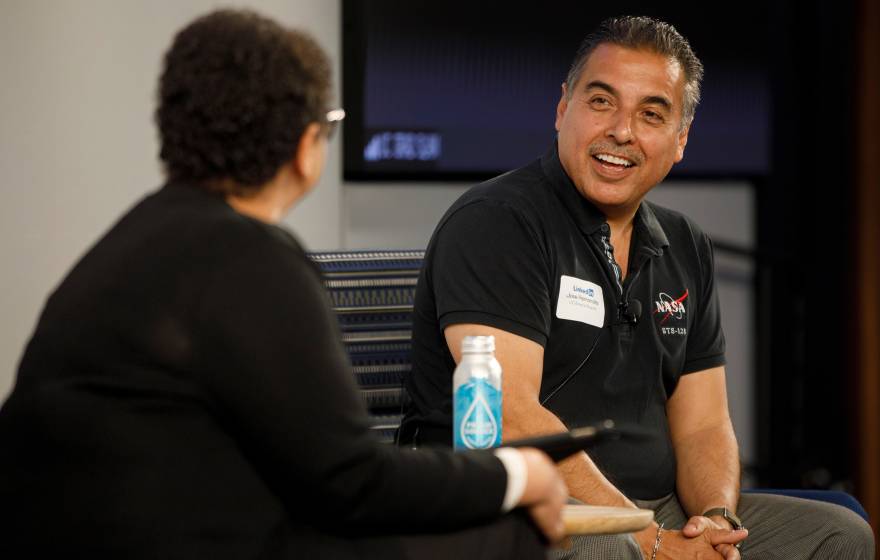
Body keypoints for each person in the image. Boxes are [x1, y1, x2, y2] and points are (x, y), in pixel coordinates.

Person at [0, 9, 569, 559]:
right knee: (505, 534)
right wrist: (519, 473)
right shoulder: (251, 258)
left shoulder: (126, 242)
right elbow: (352, 481)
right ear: (305, 147)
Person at [399, 15, 875, 560]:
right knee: (609, 553)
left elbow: (704, 426)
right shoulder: (498, 221)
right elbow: (511, 414)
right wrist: (647, 538)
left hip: (653, 510)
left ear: (680, 140)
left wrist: (714, 523)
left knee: (840, 535)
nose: (622, 131)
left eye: (651, 114)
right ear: (563, 109)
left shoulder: (685, 243)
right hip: (523, 507)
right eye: (601, 102)